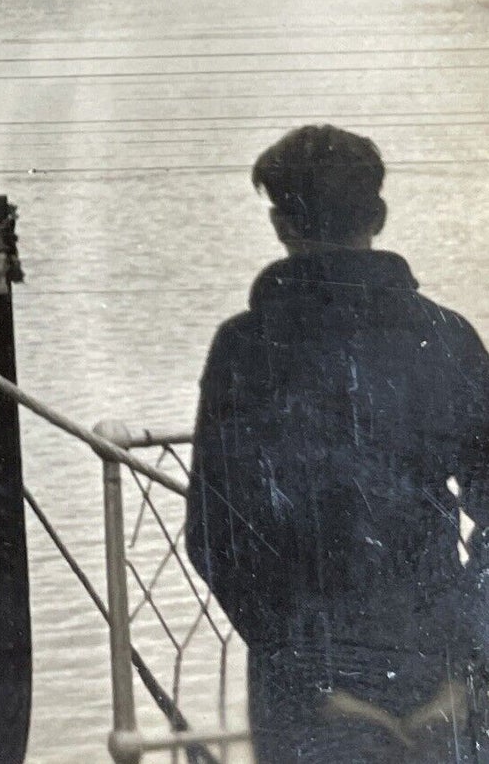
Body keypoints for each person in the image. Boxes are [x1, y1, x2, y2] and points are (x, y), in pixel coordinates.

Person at [186, 124, 489, 762]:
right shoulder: (448, 337)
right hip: (438, 670)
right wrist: (467, 668)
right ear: (377, 214)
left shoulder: (243, 349)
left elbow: (216, 536)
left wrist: (309, 686)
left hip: (305, 690)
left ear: (279, 226)